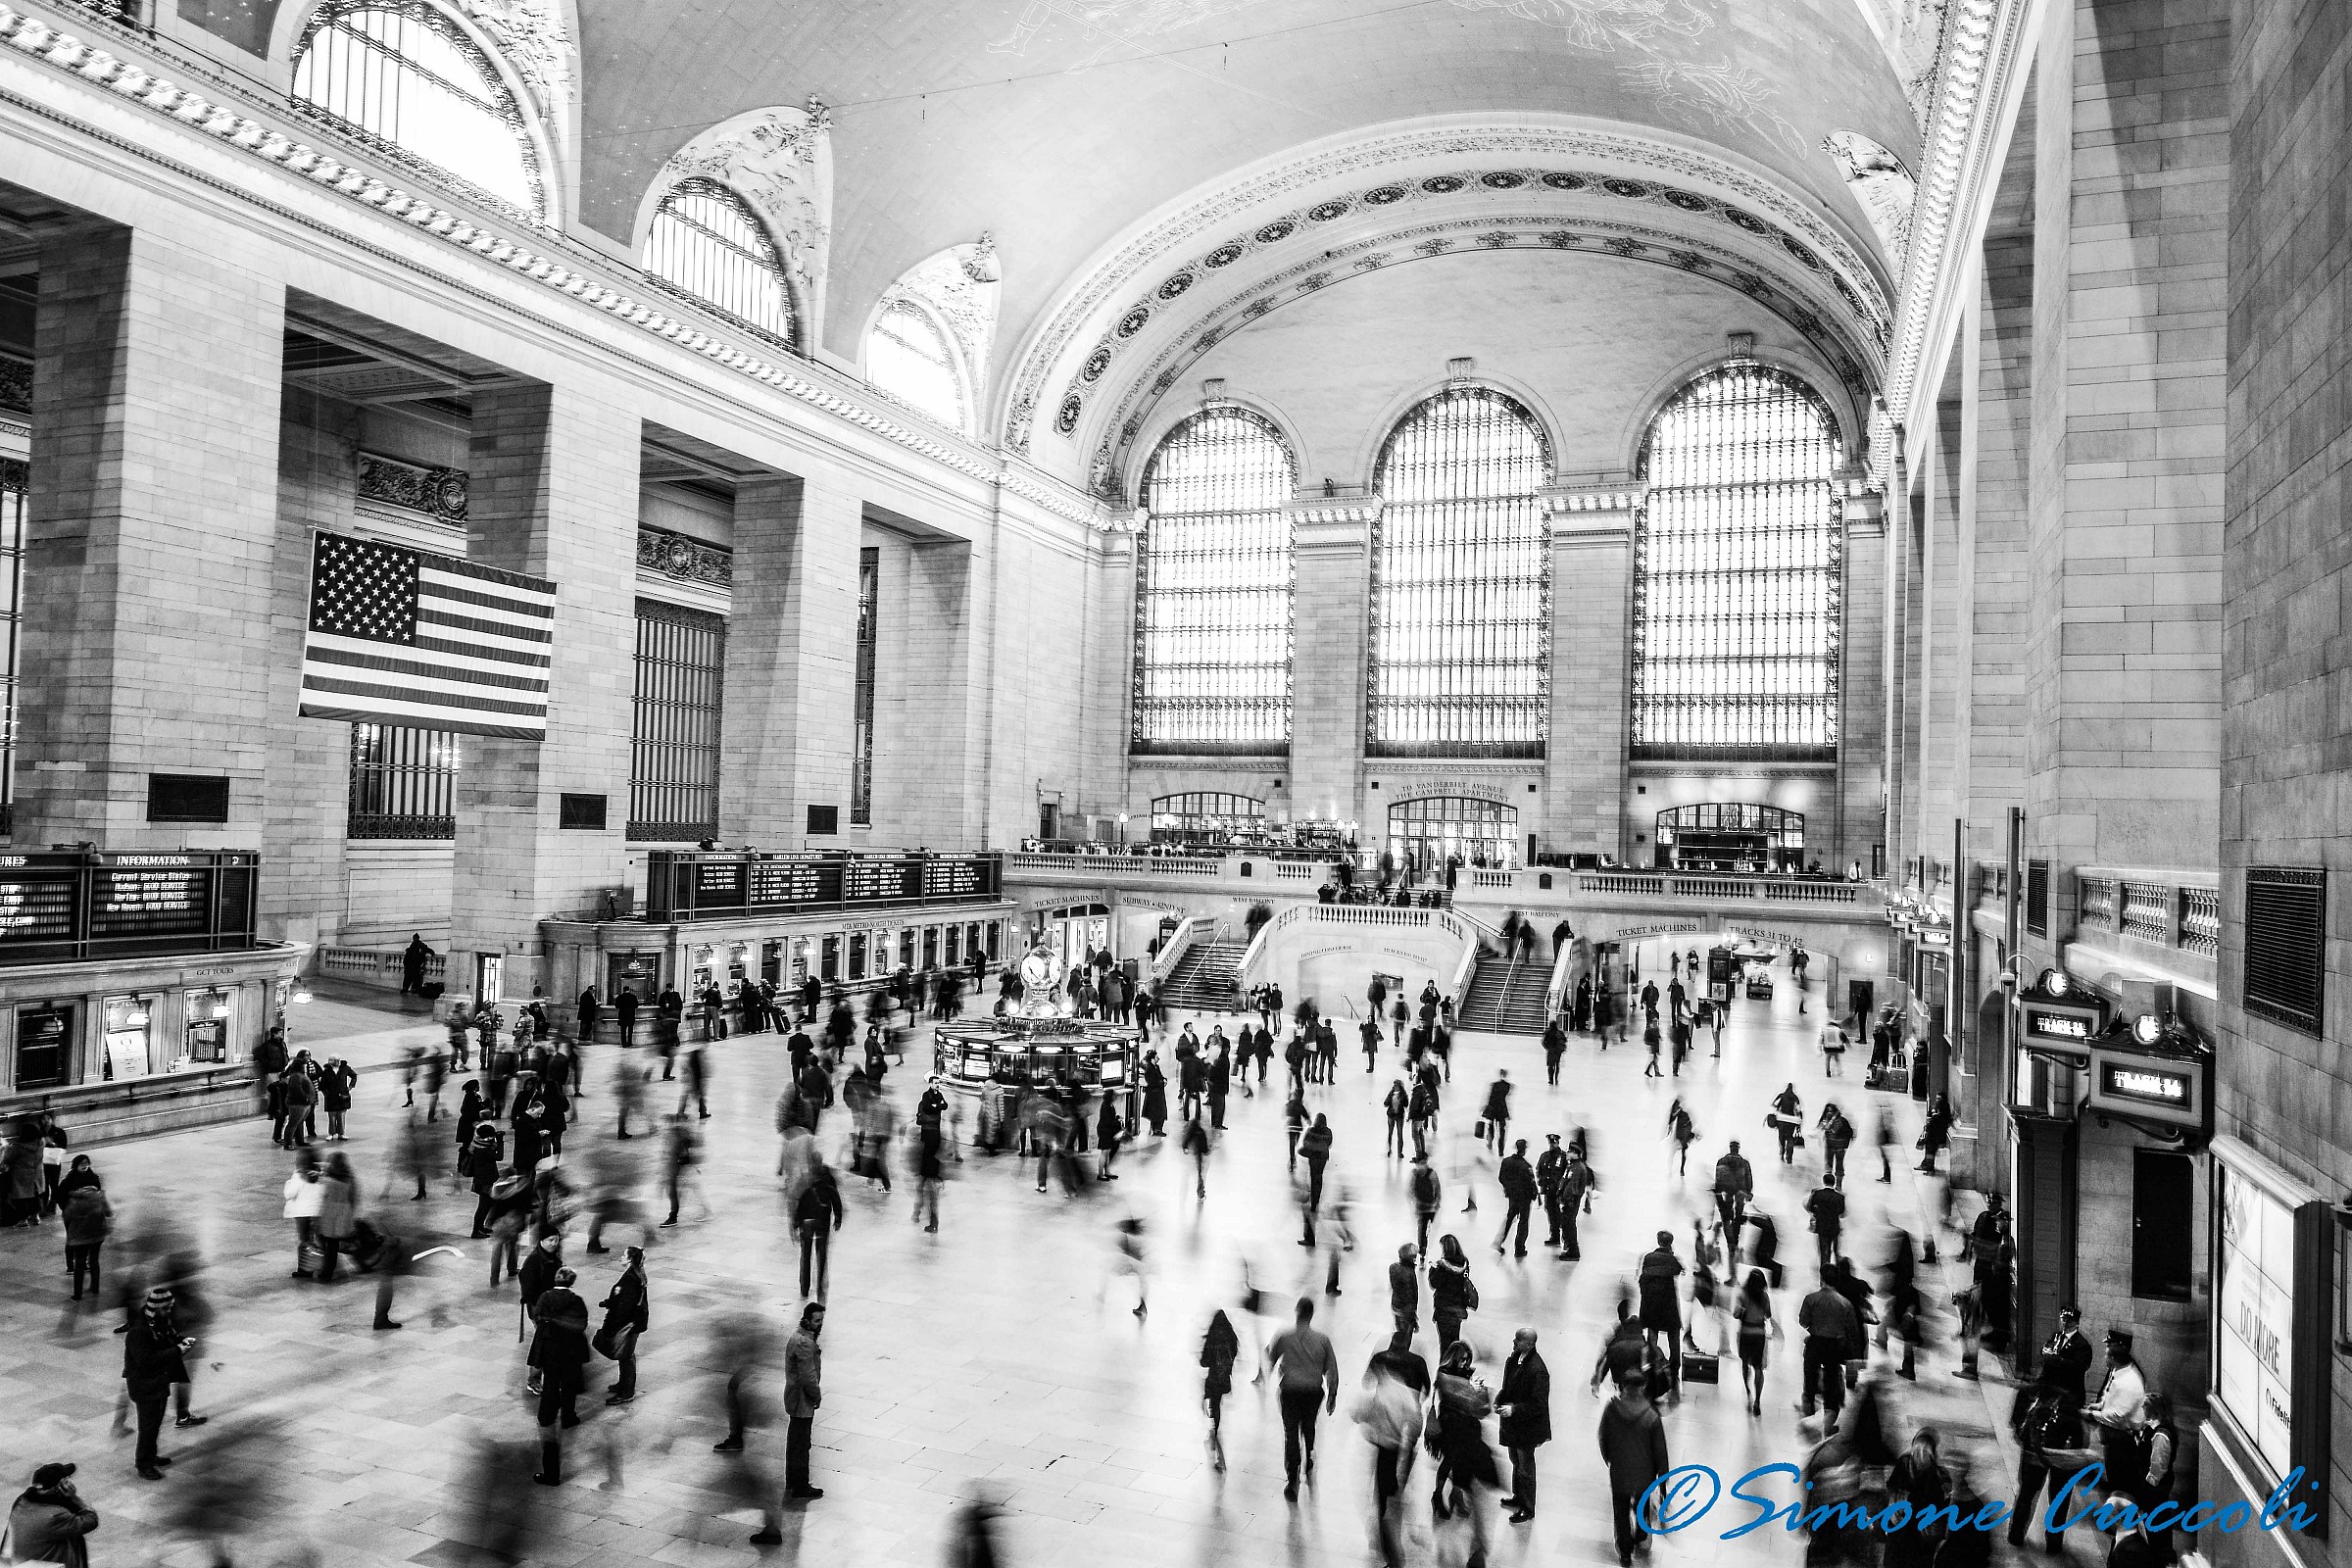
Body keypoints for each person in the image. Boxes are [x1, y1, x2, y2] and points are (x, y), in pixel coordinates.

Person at [1430, 1340, 1501, 1560]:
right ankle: (1438, 1495)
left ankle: (1456, 1494)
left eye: (1468, 1360)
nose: (1465, 1363)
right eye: (1462, 1359)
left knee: (1457, 1461)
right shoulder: (1445, 1373)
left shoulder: (1466, 1373)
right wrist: (1471, 1390)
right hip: (1450, 1424)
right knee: (1449, 1459)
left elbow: (1477, 1401)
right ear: (1454, 1357)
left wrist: (1475, 1389)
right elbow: (1457, 1394)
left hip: (1464, 1425)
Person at [1266, 1296, 1340, 1500]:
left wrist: (1264, 1376)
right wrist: (1332, 1395)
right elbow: (1332, 1369)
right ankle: (1309, 1455)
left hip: (1290, 1391)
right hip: (1312, 1392)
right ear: (1311, 1314)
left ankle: (1292, 1478)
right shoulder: (1322, 1340)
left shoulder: (1285, 1336)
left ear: (1297, 1312)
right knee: (1309, 1427)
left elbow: (1269, 1358)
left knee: (1291, 1432)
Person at [1598, 1368, 1670, 1567]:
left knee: (1620, 1512)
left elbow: (1603, 1438)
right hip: (1645, 1474)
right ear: (1643, 1387)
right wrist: (1663, 1479)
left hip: (1619, 1471)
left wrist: (1611, 1460)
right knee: (1642, 1504)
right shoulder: (1651, 1416)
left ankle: (1625, 1552)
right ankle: (1641, 1532)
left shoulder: (1611, 1409)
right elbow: (1660, 1452)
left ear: (1623, 1387)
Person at [122, 1288, 192, 1480]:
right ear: (158, 1308)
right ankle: (143, 1464)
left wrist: (181, 1341)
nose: (170, 1311)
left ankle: (151, 1456)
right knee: (148, 1427)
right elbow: (146, 1360)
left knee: (155, 1424)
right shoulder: (139, 1331)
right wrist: (177, 1350)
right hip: (145, 1386)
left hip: (158, 1382)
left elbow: (169, 1338)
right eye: (167, 1308)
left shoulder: (159, 1323)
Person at [1496, 1327, 1550, 1524]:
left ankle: (1528, 1507)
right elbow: (1507, 1387)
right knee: (1515, 1460)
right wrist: (1499, 1400)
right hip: (1514, 1425)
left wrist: (1514, 1410)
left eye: (1518, 1339)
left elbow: (1538, 1405)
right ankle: (1518, 1496)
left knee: (1526, 1466)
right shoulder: (1513, 1360)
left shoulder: (1537, 1370)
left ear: (1529, 1344)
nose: (1514, 1341)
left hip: (1527, 1427)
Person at [1798, 1268, 1863, 1429]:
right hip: (1835, 1347)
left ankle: (1809, 1416)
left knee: (1810, 1380)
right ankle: (1830, 1422)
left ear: (1822, 1279)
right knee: (1832, 1383)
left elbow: (1803, 1322)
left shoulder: (1811, 1299)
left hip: (1815, 1344)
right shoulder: (1845, 1303)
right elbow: (1852, 1331)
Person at [6, 1463, 99, 1565]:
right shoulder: (55, 1516)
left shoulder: (21, 1502)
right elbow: (91, 1520)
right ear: (60, 1487)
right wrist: (74, 1498)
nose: (70, 1484)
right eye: (66, 1481)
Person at [1885, 1426, 1950, 1568]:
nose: (1920, 1455)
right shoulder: (1904, 1463)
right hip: (1899, 1530)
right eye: (1917, 1449)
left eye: (1925, 1451)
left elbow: (1940, 1509)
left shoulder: (1938, 1476)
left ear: (1932, 1453)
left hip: (1919, 1537)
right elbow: (1891, 1487)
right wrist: (1891, 1504)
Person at [599, 1247, 649, 1405]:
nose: (621, 1257)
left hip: (629, 1324)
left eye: (623, 1255)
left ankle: (626, 1392)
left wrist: (614, 1324)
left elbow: (626, 1305)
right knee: (625, 1355)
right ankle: (623, 1384)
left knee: (626, 1356)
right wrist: (609, 1302)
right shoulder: (634, 1275)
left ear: (629, 1260)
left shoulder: (630, 1278)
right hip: (634, 1322)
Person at [60, 1161, 110, 1302]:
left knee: (79, 1264)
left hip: (80, 1235)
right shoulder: (100, 1195)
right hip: (98, 1234)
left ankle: (77, 1295)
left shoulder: (75, 1199)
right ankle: (94, 1287)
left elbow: (67, 1216)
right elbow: (109, 1212)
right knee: (94, 1261)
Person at [794, 1161, 844, 1300]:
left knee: (805, 1254)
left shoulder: (806, 1178)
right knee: (821, 1253)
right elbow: (836, 1198)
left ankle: (804, 1287)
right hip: (822, 1221)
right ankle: (820, 1285)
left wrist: (796, 1222)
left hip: (807, 1222)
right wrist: (838, 1217)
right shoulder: (828, 1180)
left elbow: (800, 1200)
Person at [1200, 1309, 1240, 1471]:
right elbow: (1235, 1353)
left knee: (1211, 1403)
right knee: (1217, 1404)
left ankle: (1214, 1430)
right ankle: (1215, 1428)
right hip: (1224, 1380)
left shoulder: (1213, 1338)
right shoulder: (1231, 1338)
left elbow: (1204, 1361)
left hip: (1212, 1379)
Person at [1733, 1268, 1778, 1414]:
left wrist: (1744, 1310)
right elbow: (1768, 1314)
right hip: (1759, 1334)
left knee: (1745, 1363)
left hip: (1745, 1332)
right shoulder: (1764, 1297)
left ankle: (1748, 1391)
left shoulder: (1742, 1294)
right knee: (1758, 1367)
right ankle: (1758, 1400)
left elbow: (1735, 1314)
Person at [1429, 1234, 1478, 1355]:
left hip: (1444, 1309)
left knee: (1444, 1344)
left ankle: (1444, 1368)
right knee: (1454, 1340)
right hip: (1458, 1309)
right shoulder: (1464, 1262)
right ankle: (1454, 1364)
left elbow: (1435, 1283)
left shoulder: (1442, 1266)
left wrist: (1432, 1270)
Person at [1494, 1139, 1537, 1257]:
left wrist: (1509, 1188)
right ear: (1524, 1150)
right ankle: (1519, 1248)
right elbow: (1531, 1183)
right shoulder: (1525, 1166)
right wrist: (1534, 1195)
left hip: (1512, 1197)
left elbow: (1501, 1178)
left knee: (1509, 1218)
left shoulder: (1506, 1162)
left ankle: (1500, 1240)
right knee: (1523, 1222)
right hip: (1524, 1198)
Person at [1805, 1175, 1846, 1269]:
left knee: (1824, 1253)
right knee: (1836, 1252)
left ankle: (1824, 1276)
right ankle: (1837, 1273)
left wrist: (1817, 1213)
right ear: (1834, 1183)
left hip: (1822, 1227)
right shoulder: (1840, 1197)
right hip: (1834, 1228)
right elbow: (1841, 1211)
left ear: (1824, 1182)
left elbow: (1810, 1207)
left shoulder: (1817, 1194)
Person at [1409, 1151, 1442, 1257]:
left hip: (1431, 1207)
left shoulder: (1432, 1174)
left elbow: (1437, 1190)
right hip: (1420, 1208)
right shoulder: (1414, 1174)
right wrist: (1414, 1201)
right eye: (1418, 1164)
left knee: (1429, 1229)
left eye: (1422, 1163)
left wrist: (1437, 1203)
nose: (1420, 1166)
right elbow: (1410, 1190)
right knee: (1422, 1230)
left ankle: (1425, 1245)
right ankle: (1422, 1250)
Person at [1919, 1093, 1955, 1172]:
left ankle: (1929, 1167)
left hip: (1934, 1134)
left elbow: (1933, 1123)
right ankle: (1926, 1165)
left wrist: (1928, 1126)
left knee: (1930, 1150)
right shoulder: (1945, 1110)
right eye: (1937, 1099)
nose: (1937, 1101)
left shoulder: (1939, 1112)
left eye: (1939, 1099)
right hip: (1938, 1134)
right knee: (1931, 1150)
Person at [1771, 1083, 1802, 1163]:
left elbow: (1774, 1104)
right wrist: (1799, 1124)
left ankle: (1782, 1151)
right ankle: (1789, 1156)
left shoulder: (1781, 1096)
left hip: (1781, 1120)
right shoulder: (1795, 1098)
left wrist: (1778, 1109)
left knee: (1781, 1136)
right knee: (1790, 1138)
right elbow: (1798, 1111)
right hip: (1791, 1121)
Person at [1481, 1071, 1511, 1152]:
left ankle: (1490, 1142)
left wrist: (1486, 1109)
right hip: (1502, 1110)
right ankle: (1501, 1149)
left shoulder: (1494, 1085)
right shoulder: (1508, 1086)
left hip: (1493, 1109)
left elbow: (1490, 1097)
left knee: (1491, 1127)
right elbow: (1506, 1099)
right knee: (1502, 1131)